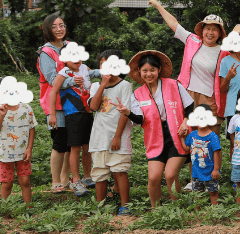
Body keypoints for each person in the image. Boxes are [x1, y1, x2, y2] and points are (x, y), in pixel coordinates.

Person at [124, 50, 194, 207]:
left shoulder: (174, 84)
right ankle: (156, 210)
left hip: (177, 135)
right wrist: (127, 112)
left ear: (159, 70)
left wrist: (185, 121)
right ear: (139, 72)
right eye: (145, 71)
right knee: (154, 178)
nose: (149, 74)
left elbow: (190, 105)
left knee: (170, 175)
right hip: (154, 138)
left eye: (152, 70)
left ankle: (177, 208)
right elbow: (139, 119)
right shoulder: (137, 94)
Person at [148, 0, 229, 115]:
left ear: (220, 33)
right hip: (187, 94)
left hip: (209, 97)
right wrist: (157, 5)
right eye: (207, 28)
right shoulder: (192, 40)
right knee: (186, 131)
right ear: (202, 30)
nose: (210, 32)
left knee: (209, 132)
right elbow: (173, 23)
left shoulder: (224, 52)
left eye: (215, 29)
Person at [88, 51, 137, 214]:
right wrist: (102, 84)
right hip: (98, 138)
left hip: (119, 137)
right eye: (103, 65)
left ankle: (125, 206)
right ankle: (101, 208)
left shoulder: (125, 86)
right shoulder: (95, 86)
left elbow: (125, 112)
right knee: (99, 173)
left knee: (120, 170)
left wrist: (117, 137)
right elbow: (93, 107)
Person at [48, 42, 98, 197]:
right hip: (73, 115)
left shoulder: (85, 69)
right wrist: (53, 114)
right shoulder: (63, 72)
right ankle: (75, 180)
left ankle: (87, 176)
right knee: (75, 148)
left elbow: (97, 73)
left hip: (88, 112)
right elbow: (53, 92)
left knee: (87, 147)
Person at [36, 13, 72, 193]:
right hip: (55, 105)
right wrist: (74, 80)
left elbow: (81, 67)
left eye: (62, 25)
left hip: (73, 102)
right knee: (59, 143)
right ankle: (55, 181)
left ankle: (66, 179)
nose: (59, 29)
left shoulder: (70, 47)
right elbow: (51, 79)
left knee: (70, 144)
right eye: (55, 26)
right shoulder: (46, 53)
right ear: (48, 29)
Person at [0, 78, 37, 204]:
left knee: (25, 181)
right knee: (7, 183)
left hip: (23, 152)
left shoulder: (26, 108)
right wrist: (2, 116)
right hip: (4, 154)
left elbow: (31, 128)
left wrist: (29, 148)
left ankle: (28, 208)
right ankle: (5, 209)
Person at [184, 104, 223, 205]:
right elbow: (186, 148)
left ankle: (216, 212)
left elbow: (216, 153)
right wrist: (181, 138)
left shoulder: (212, 136)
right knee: (197, 194)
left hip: (210, 173)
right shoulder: (192, 135)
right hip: (196, 172)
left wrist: (216, 169)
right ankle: (198, 214)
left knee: (213, 193)